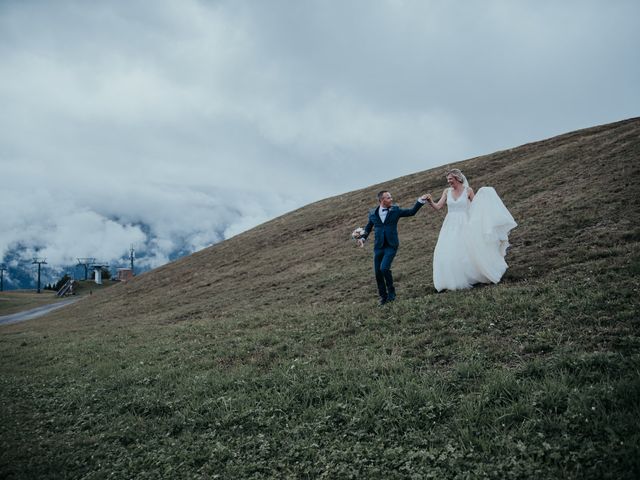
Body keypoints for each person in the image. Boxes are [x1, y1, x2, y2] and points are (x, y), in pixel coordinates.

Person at [426, 169, 517, 292]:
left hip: (465, 223)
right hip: (450, 225)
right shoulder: (447, 192)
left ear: (458, 178)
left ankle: (473, 274)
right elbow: (438, 206)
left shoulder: (468, 191)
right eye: (447, 180)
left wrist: (485, 195)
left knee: (467, 249)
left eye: (450, 179)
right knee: (449, 250)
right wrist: (430, 201)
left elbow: (476, 206)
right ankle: (453, 279)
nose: (449, 182)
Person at [358, 190, 429, 305]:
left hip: (391, 245)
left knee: (384, 268)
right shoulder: (372, 213)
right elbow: (368, 228)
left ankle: (391, 293)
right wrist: (362, 239)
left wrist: (420, 200)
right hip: (379, 247)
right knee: (378, 273)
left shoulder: (395, 210)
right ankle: (383, 297)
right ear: (382, 200)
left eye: (390, 197)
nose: (391, 199)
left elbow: (411, 212)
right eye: (388, 198)